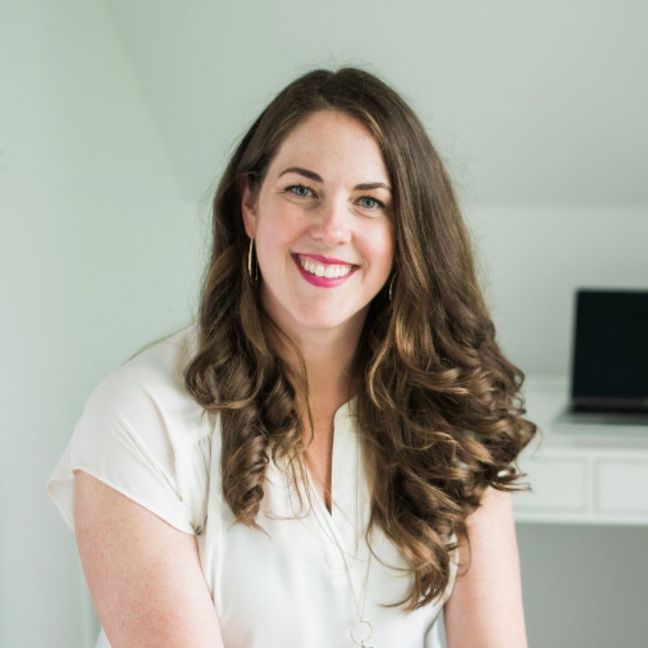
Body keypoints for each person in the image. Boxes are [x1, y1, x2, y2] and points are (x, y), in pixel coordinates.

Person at [48, 66, 536, 648]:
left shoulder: (456, 404)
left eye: (369, 201)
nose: (332, 228)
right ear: (250, 206)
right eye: (302, 190)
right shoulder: (137, 414)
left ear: (407, 232)